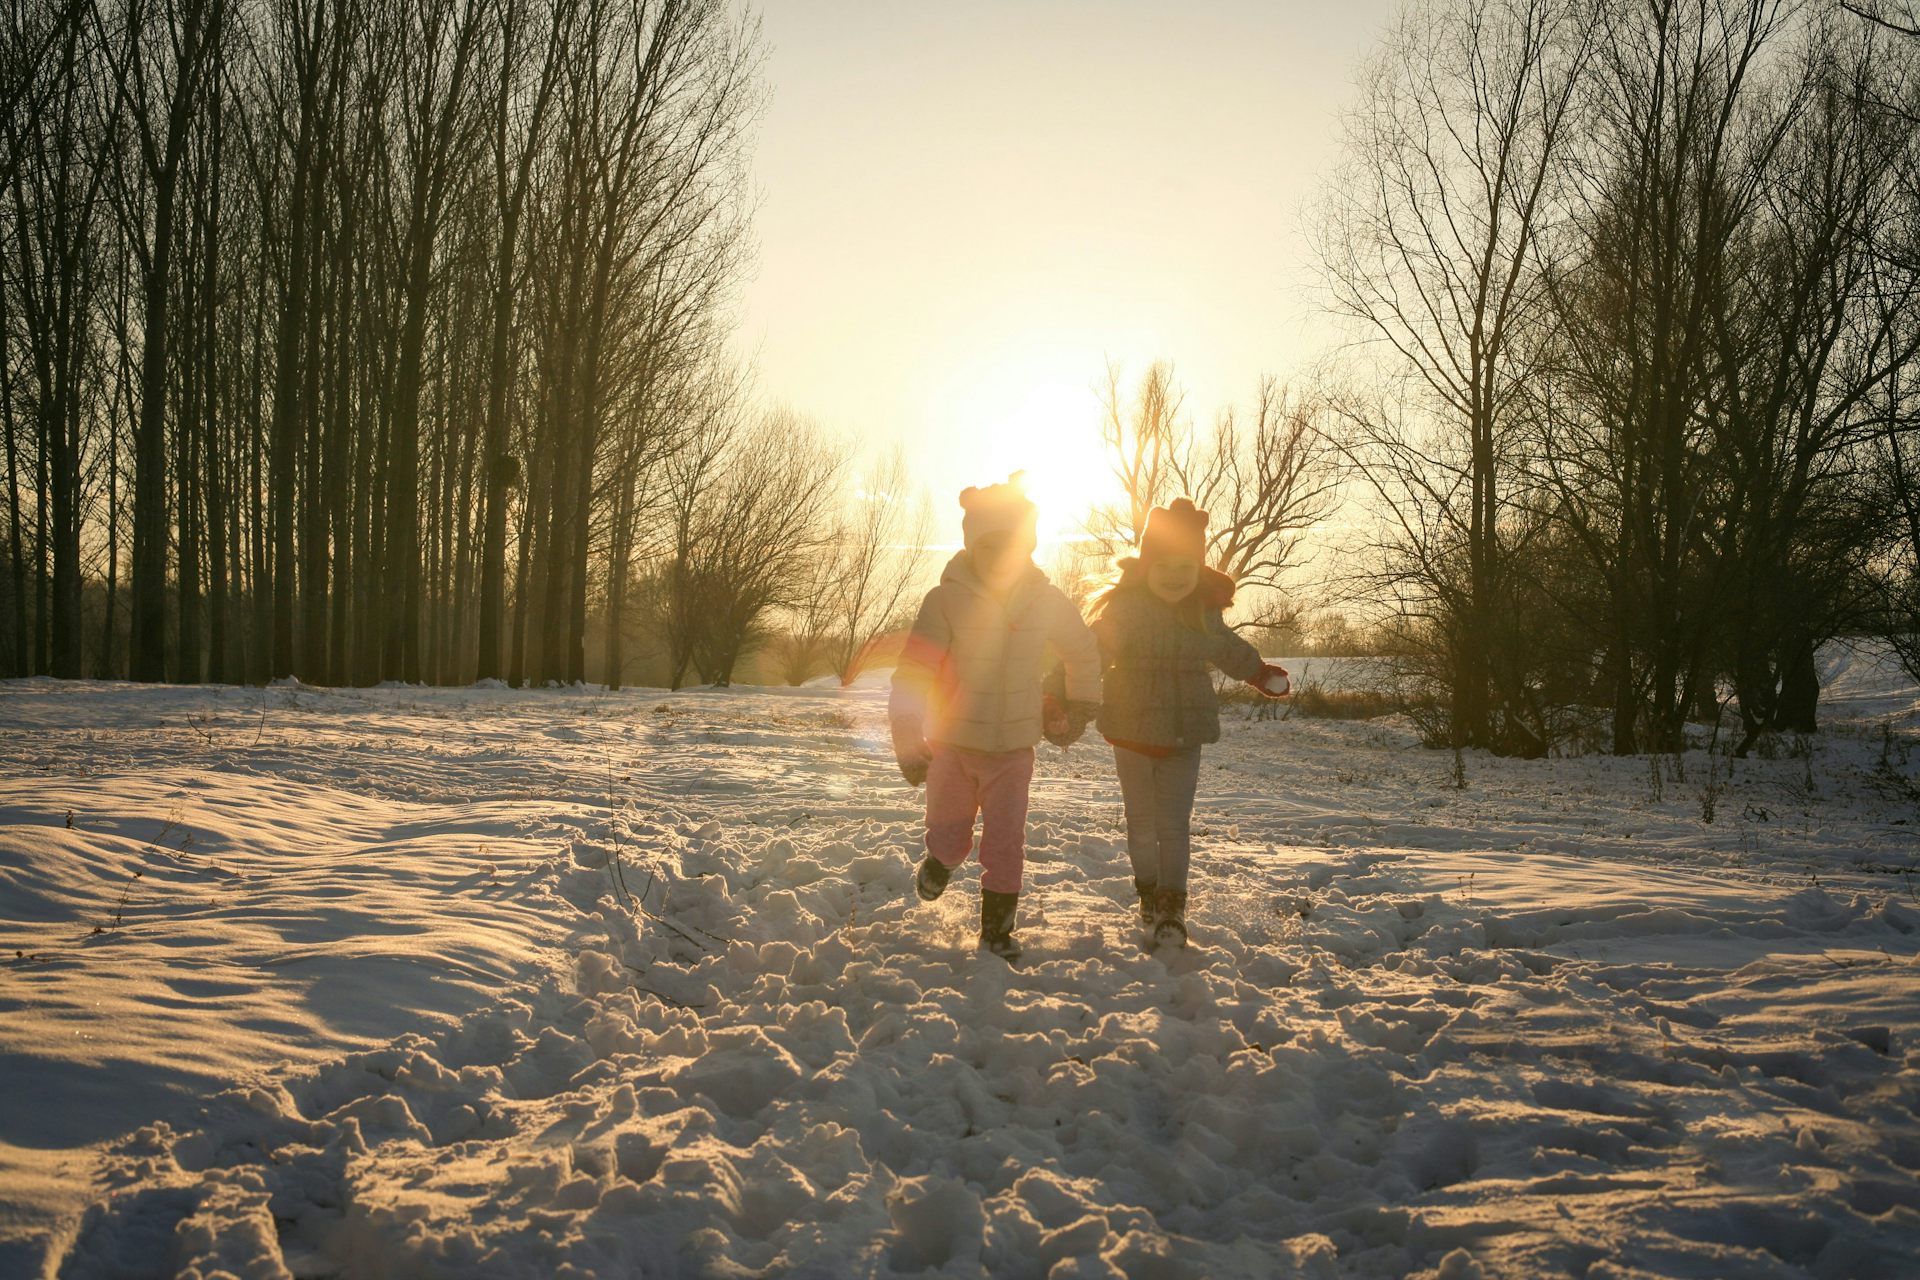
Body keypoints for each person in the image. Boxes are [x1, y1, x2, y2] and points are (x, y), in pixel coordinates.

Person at [888, 476, 1101, 962]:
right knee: (951, 838)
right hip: (953, 746)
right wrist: (906, 731)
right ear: (970, 547)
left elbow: (1083, 650)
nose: (999, 558)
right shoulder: (943, 601)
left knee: (1005, 844)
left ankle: (997, 932)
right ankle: (939, 863)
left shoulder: (1045, 601)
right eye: (988, 547)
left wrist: (1079, 703)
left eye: (1011, 547)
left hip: (1012, 751)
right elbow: (915, 669)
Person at [1091, 498, 1288, 948]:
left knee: (1174, 825)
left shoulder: (1202, 615)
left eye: (1186, 566)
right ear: (1147, 564)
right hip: (1131, 731)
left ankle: (1172, 904)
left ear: (1197, 567)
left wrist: (1260, 674)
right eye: (1165, 565)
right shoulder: (1124, 610)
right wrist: (1061, 690)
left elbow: (1228, 649)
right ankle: (1147, 890)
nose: (1176, 576)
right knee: (1141, 824)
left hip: (1184, 735)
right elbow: (1094, 655)